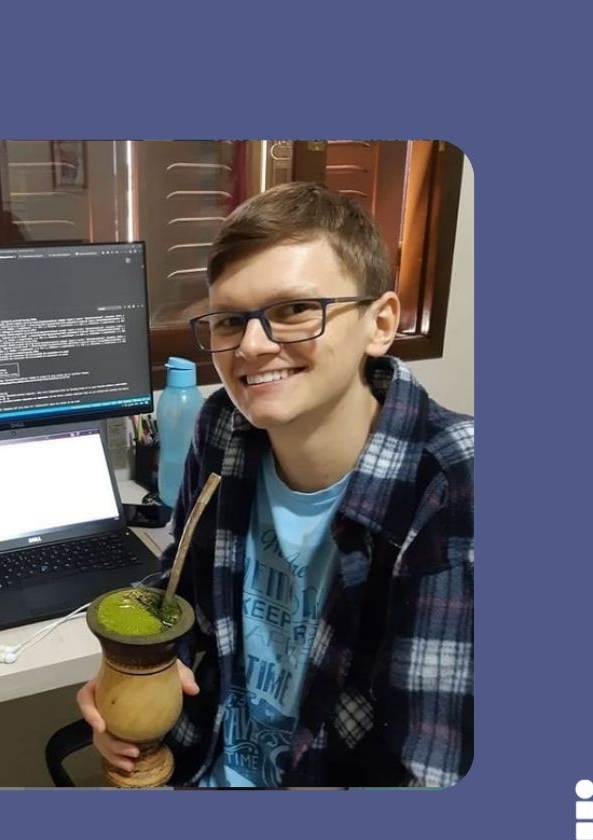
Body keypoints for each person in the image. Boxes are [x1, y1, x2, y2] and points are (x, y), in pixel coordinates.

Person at [77, 181, 473, 787]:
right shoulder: (223, 430)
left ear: (380, 323)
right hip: (201, 767)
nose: (253, 347)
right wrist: (135, 667)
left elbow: (432, 773)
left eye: (294, 311)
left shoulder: (451, 486)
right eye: (230, 321)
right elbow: (182, 586)